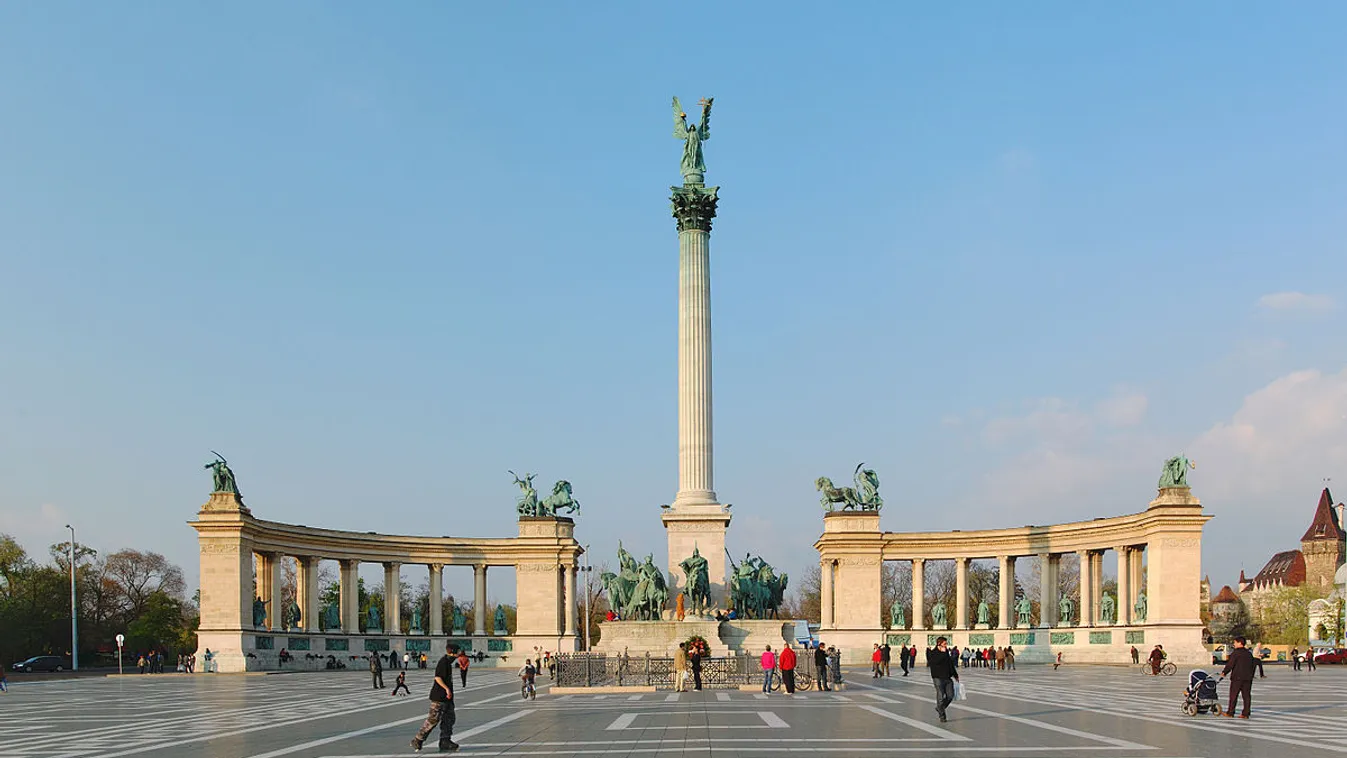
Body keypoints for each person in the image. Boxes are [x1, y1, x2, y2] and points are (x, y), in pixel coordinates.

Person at [410, 642, 457, 753]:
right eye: (458, 652)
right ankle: (418, 739)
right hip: (439, 697)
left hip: (447, 698)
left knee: (449, 719)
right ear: (453, 653)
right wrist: (446, 689)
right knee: (433, 719)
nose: (460, 654)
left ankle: (445, 741)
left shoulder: (448, 663)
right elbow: (438, 678)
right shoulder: (443, 662)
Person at [1219, 636, 1255, 719]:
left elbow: (1230, 664)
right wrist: (1251, 675)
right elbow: (1253, 665)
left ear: (1239, 643)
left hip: (1237, 678)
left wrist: (1224, 672)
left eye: (1235, 642)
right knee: (1246, 696)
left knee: (1233, 695)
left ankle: (1230, 712)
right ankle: (1246, 713)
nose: (1234, 644)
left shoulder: (1236, 653)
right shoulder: (1249, 653)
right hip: (1247, 678)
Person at [926, 637, 959, 723]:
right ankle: (942, 715)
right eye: (945, 644)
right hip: (937, 677)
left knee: (950, 696)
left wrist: (955, 675)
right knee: (940, 696)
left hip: (947, 677)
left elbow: (950, 664)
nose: (946, 645)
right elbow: (935, 662)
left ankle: (940, 708)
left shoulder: (946, 652)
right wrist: (944, 654)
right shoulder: (933, 652)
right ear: (939, 644)